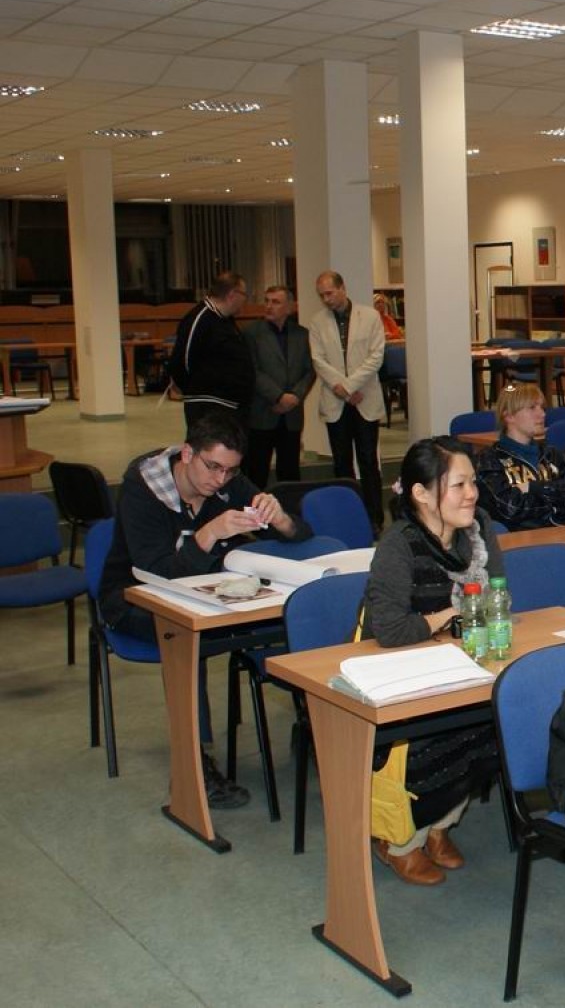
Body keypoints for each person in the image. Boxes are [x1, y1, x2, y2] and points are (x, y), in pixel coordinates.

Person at [99, 413, 310, 809]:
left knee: (294, 618)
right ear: (187, 454)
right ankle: (195, 761)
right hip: (131, 598)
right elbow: (156, 572)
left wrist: (280, 519)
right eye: (212, 467)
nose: (220, 480)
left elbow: (301, 536)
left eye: (230, 471)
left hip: (204, 594)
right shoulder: (142, 488)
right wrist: (210, 533)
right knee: (185, 635)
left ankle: (313, 720)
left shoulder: (227, 483)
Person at [362, 437, 502, 885]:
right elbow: (390, 630)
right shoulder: (399, 545)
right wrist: (448, 615)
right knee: (435, 735)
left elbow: (498, 596)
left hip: (458, 661)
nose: (472, 494)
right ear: (421, 494)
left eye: (473, 482)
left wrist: (467, 621)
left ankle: (439, 825)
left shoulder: (478, 531)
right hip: (399, 671)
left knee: (492, 721)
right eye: (459, 485)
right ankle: (400, 841)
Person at [308, 269, 387, 531]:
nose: (326, 299)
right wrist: (342, 388)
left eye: (329, 293)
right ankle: (347, 519)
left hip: (365, 398)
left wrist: (351, 386)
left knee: (368, 460)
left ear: (342, 288)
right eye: (322, 295)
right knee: (341, 462)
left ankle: (374, 518)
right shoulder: (317, 322)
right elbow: (318, 360)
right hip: (335, 400)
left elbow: (376, 356)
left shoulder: (370, 316)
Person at [473, 383, 565, 530]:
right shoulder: (489, 460)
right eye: (532, 408)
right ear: (509, 416)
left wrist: (532, 487)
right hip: (524, 538)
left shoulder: (551, 454)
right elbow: (510, 508)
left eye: (542, 407)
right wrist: (557, 502)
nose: (542, 414)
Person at [241, 284, 313, 487]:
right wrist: (278, 396)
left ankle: (288, 507)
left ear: (289, 307)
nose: (269, 306)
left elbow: (309, 370)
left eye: (276, 302)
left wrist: (295, 396)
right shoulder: (251, 333)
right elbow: (252, 371)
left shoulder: (302, 334)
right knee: (257, 472)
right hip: (262, 412)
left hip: (291, 415)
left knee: (290, 472)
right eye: (267, 301)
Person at [171, 270, 252, 430]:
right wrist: (196, 389)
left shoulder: (225, 320)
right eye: (244, 294)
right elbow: (181, 361)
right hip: (208, 408)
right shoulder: (200, 318)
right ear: (232, 295)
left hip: (230, 406)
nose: (245, 300)